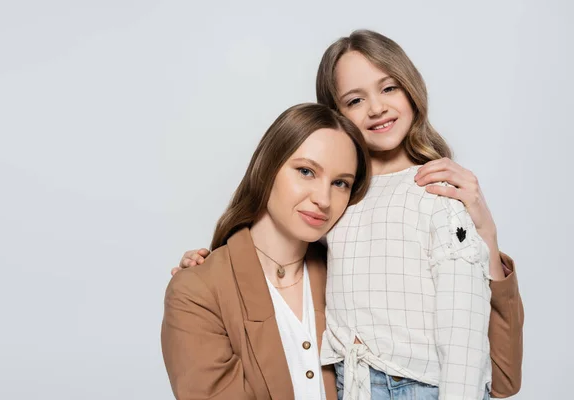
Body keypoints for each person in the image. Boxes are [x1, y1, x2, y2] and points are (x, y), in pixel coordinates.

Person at [173, 30, 523, 400]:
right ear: (337, 116)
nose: (376, 108)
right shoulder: (341, 214)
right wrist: (209, 269)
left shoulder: (435, 193)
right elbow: (270, 248)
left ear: (412, 88)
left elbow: (492, 368)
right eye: (355, 100)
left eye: (389, 88)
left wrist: (487, 236)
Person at [162, 103, 371, 400]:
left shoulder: (345, 276)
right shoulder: (197, 291)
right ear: (268, 167)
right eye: (306, 171)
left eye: (340, 183)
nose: (324, 199)